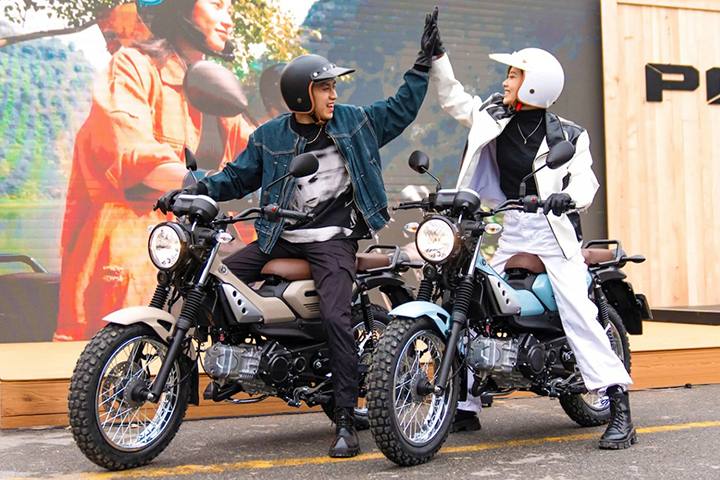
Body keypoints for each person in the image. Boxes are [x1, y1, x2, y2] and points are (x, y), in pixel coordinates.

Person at [156, 15, 439, 458]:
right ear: (302, 95)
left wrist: (423, 64)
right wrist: (192, 190)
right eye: (325, 88)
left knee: (336, 318)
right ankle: (243, 364)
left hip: (333, 240)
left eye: (333, 87)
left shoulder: (355, 122)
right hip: (281, 235)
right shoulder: (270, 136)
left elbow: (400, 109)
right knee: (215, 282)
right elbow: (236, 177)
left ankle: (344, 419)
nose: (334, 94)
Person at [425, 8, 636, 450]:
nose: (505, 81)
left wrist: (567, 198)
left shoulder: (570, 135)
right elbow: (453, 99)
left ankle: (619, 408)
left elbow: (585, 181)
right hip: (511, 226)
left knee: (579, 314)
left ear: (534, 84)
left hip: (553, 232)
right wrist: (437, 57)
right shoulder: (493, 116)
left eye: (513, 74)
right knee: (474, 297)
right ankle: (465, 403)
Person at [54, 0, 253, 340]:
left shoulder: (214, 86)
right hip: (137, 248)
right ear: (182, 8)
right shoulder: (133, 66)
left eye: (230, 11)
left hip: (195, 251)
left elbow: (255, 151)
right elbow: (132, 153)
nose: (227, 20)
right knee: (122, 354)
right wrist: (206, 183)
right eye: (217, 5)